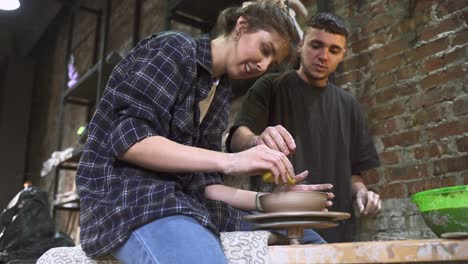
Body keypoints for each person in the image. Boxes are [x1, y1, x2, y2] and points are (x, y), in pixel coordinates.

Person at [75, 2, 302, 263]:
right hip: (129, 199)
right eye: (265, 50)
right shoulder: (174, 49)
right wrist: (233, 160)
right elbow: (129, 140)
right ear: (242, 26)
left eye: (271, 62)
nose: (263, 65)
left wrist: (269, 201)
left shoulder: (219, 92)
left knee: (304, 235)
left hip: (184, 202)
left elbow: (203, 185)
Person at [227, 12, 382, 243]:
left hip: (338, 228)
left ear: (342, 55)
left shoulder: (349, 105)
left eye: (334, 50)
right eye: (316, 45)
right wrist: (257, 140)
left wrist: (362, 193)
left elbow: (353, 174)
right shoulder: (271, 86)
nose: (323, 56)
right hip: (283, 226)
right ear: (301, 46)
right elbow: (238, 138)